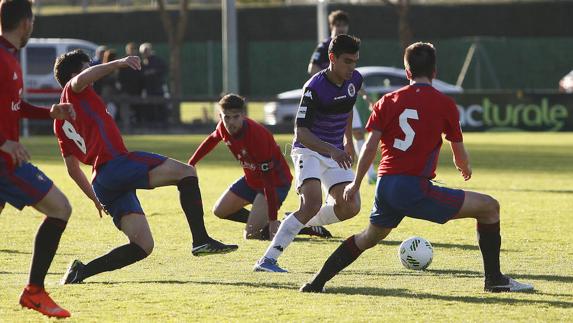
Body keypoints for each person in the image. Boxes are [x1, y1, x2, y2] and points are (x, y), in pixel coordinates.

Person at [299, 42, 534, 293]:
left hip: (386, 185)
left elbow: (369, 147)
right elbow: (459, 156)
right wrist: (463, 167)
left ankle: (316, 283)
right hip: (413, 187)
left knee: (368, 237)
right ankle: (495, 280)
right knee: (489, 207)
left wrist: (356, 184)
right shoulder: (445, 104)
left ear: (407, 72)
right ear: (435, 71)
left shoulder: (387, 101)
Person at [52, 49, 238, 285]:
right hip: (117, 164)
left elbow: (72, 168)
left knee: (143, 245)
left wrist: (94, 199)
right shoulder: (74, 90)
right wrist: (118, 63)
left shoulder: (60, 122)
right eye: (88, 66)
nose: (93, 70)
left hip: (103, 182)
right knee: (187, 172)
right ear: (75, 73)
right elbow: (80, 79)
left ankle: (81, 272)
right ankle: (200, 239)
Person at [253, 34, 363, 273]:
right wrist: (333, 150)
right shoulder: (314, 88)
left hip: (335, 151)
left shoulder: (355, 79)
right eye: (347, 61)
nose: (351, 67)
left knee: (351, 206)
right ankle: (267, 260)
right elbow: (301, 133)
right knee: (312, 202)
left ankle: (298, 220)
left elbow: (348, 107)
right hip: (309, 150)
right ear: (332, 58)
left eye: (355, 61)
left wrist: (348, 141)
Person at [0, 0, 76, 318]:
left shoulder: (10, 57)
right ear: (26, 23)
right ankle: (34, 292)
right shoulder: (2, 58)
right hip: (5, 164)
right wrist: (4, 142)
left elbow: (14, 105)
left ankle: (34, 292)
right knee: (60, 208)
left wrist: (50, 112)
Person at [188, 94, 332, 240]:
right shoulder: (223, 127)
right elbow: (212, 139)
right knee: (220, 211)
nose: (231, 122)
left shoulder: (257, 136)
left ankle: (297, 227)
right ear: (221, 116)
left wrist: (272, 219)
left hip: (274, 183)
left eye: (236, 117)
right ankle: (266, 222)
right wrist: (191, 163)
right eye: (227, 117)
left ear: (243, 115)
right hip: (252, 180)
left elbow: (268, 180)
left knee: (251, 235)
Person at [307, 10, 377, 183]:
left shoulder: (349, 48)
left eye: (343, 24)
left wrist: (367, 97)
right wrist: (326, 83)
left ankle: (370, 174)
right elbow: (312, 69)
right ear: (332, 26)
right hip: (330, 100)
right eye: (337, 24)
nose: (341, 27)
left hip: (346, 98)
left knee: (358, 133)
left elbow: (354, 77)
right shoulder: (324, 47)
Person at [139, 42, 168, 125]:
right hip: (147, 90)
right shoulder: (142, 63)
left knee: (160, 107)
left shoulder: (158, 61)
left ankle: (161, 124)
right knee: (149, 108)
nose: (144, 53)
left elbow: (163, 70)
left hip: (157, 88)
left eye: (146, 51)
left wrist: (152, 72)